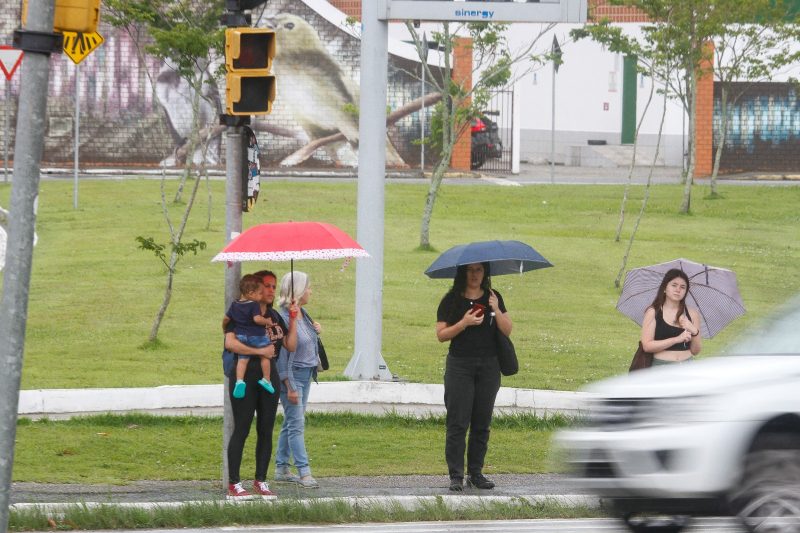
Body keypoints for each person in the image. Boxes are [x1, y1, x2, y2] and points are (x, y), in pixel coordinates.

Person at [436, 262, 512, 492]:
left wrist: (496, 309)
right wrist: (464, 323)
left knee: (482, 422)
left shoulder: (493, 296)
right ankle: (456, 475)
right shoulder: (452, 300)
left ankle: (476, 473)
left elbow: (507, 330)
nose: (475, 274)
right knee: (458, 422)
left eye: (479, 270)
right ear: (462, 272)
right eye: (470, 270)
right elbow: (441, 335)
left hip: (489, 366)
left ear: (485, 273)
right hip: (460, 365)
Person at [225, 270, 286, 499]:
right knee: (242, 427)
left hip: (269, 376)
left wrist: (295, 316)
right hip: (245, 375)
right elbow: (231, 343)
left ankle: (261, 480)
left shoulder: (274, 316)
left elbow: (289, 344)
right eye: (266, 287)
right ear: (255, 291)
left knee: (266, 429)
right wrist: (260, 351)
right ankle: (234, 484)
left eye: (273, 287)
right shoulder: (240, 313)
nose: (270, 291)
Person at [274, 271, 322, 489]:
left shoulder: (302, 313)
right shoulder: (284, 318)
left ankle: (281, 468)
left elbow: (307, 342)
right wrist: (290, 385)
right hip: (293, 377)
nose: (311, 291)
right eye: (308, 287)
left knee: (291, 422)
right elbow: (283, 357)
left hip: (307, 374)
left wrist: (316, 330)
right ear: (299, 290)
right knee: (297, 425)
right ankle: (304, 472)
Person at [223, 274, 275, 399]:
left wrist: (225, 328)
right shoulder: (254, 304)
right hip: (256, 336)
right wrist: (267, 321)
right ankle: (266, 379)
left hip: (241, 337)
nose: (261, 296)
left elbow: (226, 318)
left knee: (242, 359)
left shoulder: (235, 304)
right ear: (251, 293)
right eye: (259, 293)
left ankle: (240, 381)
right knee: (265, 356)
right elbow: (257, 319)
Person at [641, 268, 703, 365]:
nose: (678, 290)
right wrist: (677, 339)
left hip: (687, 367)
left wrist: (694, 331)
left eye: (682, 287)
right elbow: (647, 346)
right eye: (674, 285)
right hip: (661, 367)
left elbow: (696, 351)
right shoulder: (653, 312)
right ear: (665, 288)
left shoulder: (692, 314)